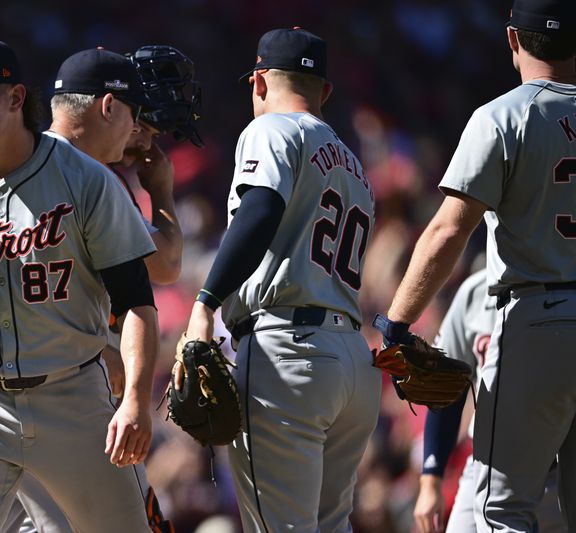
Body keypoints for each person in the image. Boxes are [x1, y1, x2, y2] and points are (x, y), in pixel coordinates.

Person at [0, 36, 160, 532]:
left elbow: (138, 304)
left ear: (17, 99)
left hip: (72, 393)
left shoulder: (85, 181)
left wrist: (136, 402)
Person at [376, 1, 576, 530]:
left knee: (500, 509)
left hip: (537, 314)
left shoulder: (503, 116)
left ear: (513, 40)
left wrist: (395, 322)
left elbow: (447, 230)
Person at [177, 27, 380, 531]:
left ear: (260, 81)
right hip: (351, 363)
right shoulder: (354, 166)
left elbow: (261, 208)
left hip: (288, 354)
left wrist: (205, 303)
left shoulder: (272, 129)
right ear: (325, 92)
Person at [413, 268, 566, 533]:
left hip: (562, 466)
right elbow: (447, 387)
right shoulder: (475, 291)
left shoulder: (567, 287)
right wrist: (431, 479)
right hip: (490, 466)